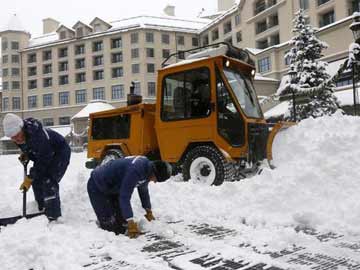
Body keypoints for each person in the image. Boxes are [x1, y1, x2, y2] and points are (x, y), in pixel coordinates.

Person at [2, 113, 71, 221]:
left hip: (59, 152)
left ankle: (53, 214)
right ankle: (42, 206)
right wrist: (26, 155)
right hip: (45, 154)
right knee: (36, 179)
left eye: (17, 135)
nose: (16, 140)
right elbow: (29, 148)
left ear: (22, 128)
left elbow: (44, 157)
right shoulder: (20, 137)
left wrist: (31, 176)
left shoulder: (37, 134)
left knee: (48, 180)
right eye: (12, 138)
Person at [87, 156, 172, 238]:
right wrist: (130, 220)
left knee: (122, 222)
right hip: (97, 185)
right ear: (154, 172)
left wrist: (148, 209)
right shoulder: (136, 170)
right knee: (109, 225)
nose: (155, 182)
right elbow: (125, 196)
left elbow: (143, 191)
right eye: (156, 179)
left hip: (114, 187)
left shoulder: (147, 170)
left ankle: (121, 228)